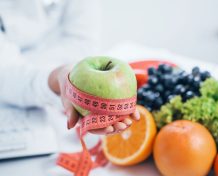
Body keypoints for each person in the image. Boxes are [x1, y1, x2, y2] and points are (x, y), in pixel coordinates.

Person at [0, 0, 139, 134]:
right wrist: (54, 77)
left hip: (51, 99)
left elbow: (81, 44)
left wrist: (63, 76)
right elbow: (4, 73)